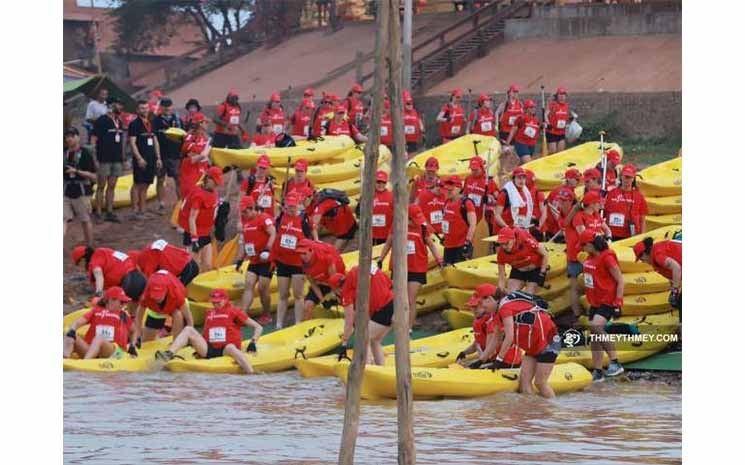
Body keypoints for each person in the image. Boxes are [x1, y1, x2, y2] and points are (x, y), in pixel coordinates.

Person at [469, 284, 560, 398]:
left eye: (481, 303)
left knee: (540, 383)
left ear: (490, 299)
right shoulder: (495, 313)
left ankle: (554, 411)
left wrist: (499, 360)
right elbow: (496, 338)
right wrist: (481, 360)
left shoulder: (505, 307)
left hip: (548, 343)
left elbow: (509, 336)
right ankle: (534, 413)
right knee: (524, 383)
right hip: (532, 347)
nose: (481, 307)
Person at [155, 289, 262, 375]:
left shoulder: (235, 311)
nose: (215, 305)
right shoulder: (209, 313)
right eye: (213, 302)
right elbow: (206, 333)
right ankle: (169, 354)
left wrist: (253, 342)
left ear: (225, 300)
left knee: (230, 347)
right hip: (209, 349)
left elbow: (258, 327)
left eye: (218, 302)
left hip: (226, 349)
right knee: (188, 329)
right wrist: (196, 346)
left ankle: (251, 373)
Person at [378, 204, 443, 329]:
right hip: (399, 267)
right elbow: (388, 243)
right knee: (399, 297)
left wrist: (439, 260)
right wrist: (381, 259)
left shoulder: (423, 228)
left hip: (417, 268)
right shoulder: (396, 226)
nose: (417, 222)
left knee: (410, 298)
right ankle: (399, 323)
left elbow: (431, 245)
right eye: (414, 219)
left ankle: (409, 327)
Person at [579, 230, 625, 381]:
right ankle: (598, 371)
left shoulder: (607, 257)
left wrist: (618, 302)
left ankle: (615, 362)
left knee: (596, 327)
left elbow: (620, 280)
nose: (581, 248)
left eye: (583, 245)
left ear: (591, 245)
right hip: (595, 301)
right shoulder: (590, 257)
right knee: (594, 336)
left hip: (608, 300)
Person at [333, 265, 395, 365]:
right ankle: (380, 368)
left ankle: (367, 368)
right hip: (394, 302)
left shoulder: (346, 290)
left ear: (336, 288)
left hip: (383, 308)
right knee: (375, 340)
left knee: (363, 338)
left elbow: (349, 321)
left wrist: (344, 343)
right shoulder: (358, 275)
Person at [564, 190, 612, 317]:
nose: (600, 203)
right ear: (591, 204)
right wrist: (600, 239)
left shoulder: (596, 215)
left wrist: (609, 237)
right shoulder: (579, 216)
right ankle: (577, 315)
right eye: (598, 202)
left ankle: (592, 312)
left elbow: (606, 229)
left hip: (594, 256)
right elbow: (584, 235)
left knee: (592, 285)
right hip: (577, 256)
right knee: (575, 287)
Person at [273, 193, 315, 328]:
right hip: (282, 262)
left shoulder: (303, 220)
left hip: (298, 263)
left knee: (298, 295)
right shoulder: (280, 218)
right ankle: (279, 324)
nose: (291, 208)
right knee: (283, 294)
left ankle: (298, 324)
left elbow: (309, 240)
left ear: (298, 205)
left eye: (293, 206)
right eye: (289, 206)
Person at [456, 284, 522, 369]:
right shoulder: (493, 315)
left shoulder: (500, 312)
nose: (473, 309)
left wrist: (497, 359)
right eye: (472, 307)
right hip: (498, 358)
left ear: (490, 299)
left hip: (509, 360)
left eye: (477, 306)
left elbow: (508, 337)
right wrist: (468, 354)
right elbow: (491, 340)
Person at [63, 286, 138, 360]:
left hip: (114, 352)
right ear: (110, 300)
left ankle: (85, 362)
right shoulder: (95, 311)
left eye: (124, 302)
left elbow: (134, 331)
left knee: (99, 338)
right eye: (121, 302)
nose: (123, 305)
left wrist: (132, 346)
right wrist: (72, 330)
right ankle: (64, 359)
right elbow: (78, 322)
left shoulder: (123, 315)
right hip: (91, 350)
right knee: (69, 333)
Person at [235, 195, 276, 325]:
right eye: (242, 212)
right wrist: (240, 260)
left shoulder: (264, 219)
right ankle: (243, 314)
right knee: (248, 285)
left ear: (252, 208)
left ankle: (267, 314)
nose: (244, 214)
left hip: (266, 260)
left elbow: (273, 233)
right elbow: (245, 243)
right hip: (253, 261)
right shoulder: (246, 223)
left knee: (263, 288)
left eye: (245, 211)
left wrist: (268, 249)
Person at [178, 166, 224, 272]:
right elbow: (192, 218)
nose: (217, 185)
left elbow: (212, 213)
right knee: (194, 267)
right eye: (215, 182)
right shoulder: (198, 196)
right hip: (195, 234)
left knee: (207, 265)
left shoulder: (213, 193)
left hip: (205, 232)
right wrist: (194, 239)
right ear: (208, 179)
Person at [92, 96, 126, 223]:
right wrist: (94, 158)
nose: (121, 107)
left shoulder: (119, 121)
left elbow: (121, 139)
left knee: (112, 186)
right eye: (118, 104)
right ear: (111, 106)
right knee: (101, 186)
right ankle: (99, 212)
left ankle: (110, 211)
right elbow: (94, 139)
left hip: (116, 158)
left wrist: (122, 157)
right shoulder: (101, 120)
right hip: (104, 158)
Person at [71, 246, 147, 303]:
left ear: (82, 259)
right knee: (134, 311)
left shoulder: (95, 258)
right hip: (139, 278)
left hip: (128, 282)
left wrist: (98, 295)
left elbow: (98, 274)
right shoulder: (106, 253)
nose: (80, 267)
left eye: (78, 264)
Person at [134, 270, 193, 342]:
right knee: (146, 341)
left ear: (166, 291)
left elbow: (189, 318)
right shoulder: (147, 295)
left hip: (174, 305)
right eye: (155, 296)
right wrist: (138, 334)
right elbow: (139, 314)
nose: (157, 298)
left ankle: (176, 343)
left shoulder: (177, 295)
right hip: (155, 309)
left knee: (178, 314)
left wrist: (191, 335)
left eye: (159, 295)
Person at [297, 238, 346, 320]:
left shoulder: (325, 257)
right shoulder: (302, 263)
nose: (302, 256)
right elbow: (313, 284)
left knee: (344, 300)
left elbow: (334, 280)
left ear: (311, 250)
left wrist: (332, 294)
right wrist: (322, 300)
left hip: (335, 282)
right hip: (320, 283)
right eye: (300, 253)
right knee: (307, 306)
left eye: (304, 253)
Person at [128, 100, 162, 218]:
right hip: (141, 158)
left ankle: (143, 210)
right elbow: (132, 143)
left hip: (152, 158)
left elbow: (155, 141)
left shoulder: (151, 122)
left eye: (146, 108)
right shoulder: (134, 124)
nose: (145, 110)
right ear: (137, 110)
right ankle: (134, 211)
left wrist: (158, 158)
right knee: (137, 184)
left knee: (146, 184)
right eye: (142, 108)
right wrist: (139, 158)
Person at [64, 127, 96, 246]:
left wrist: (77, 171)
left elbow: (93, 176)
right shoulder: (63, 153)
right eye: (67, 136)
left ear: (78, 137)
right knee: (63, 218)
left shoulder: (85, 153)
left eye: (72, 136)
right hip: (66, 191)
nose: (69, 139)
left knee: (85, 220)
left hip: (82, 192)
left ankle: (89, 246)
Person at [494, 226, 549, 294]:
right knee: (511, 294)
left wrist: (542, 273)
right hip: (518, 270)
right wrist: (500, 289)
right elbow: (501, 276)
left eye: (506, 243)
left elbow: (545, 254)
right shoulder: (501, 254)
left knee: (529, 294)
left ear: (513, 239)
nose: (504, 246)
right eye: (501, 243)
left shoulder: (526, 241)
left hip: (535, 269)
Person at [633, 236, 682, 311]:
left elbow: (676, 267)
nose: (642, 261)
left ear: (644, 254)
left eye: (641, 259)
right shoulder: (657, 249)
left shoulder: (657, 256)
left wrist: (675, 291)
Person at [152, 97, 184, 207]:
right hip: (161, 154)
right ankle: (161, 203)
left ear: (172, 106)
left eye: (168, 105)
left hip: (175, 154)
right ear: (161, 107)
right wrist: (156, 156)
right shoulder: (155, 120)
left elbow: (183, 136)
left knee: (178, 179)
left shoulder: (178, 120)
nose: (167, 108)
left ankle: (180, 203)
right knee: (160, 179)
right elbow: (154, 137)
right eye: (164, 106)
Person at [604, 164, 648, 240]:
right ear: (621, 177)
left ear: (633, 178)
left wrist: (642, 237)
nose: (626, 179)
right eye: (625, 176)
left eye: (629, 177)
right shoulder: (611, 193)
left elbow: (642, 219)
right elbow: (603, 212)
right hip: (612, 234)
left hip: (630, 235)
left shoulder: (639, 196)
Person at [442, 175, 477, 265]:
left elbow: (473, 224)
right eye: (447, 190)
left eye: (451, 190)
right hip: (448, 246)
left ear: (459, 188)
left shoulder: (466, 203)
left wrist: (467, 242)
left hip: (461, 246)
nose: (448, 192)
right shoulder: (447, 202)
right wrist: (444, 236)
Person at [135, 239, 200, 286]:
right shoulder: (149, 252)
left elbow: (150, 282)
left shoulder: (147, 258)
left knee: (175, 293)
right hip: (188, 263)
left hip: (187, 268)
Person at [179, 112, 211, 199]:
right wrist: (203, 155)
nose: (207, 124)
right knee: (190, 196)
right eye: (205, 122)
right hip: (191, 171)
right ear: (200, 124)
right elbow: (189, 155)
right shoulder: (190, 137)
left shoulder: (206, 137)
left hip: (202, 169)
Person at [462, 156, 499, 226]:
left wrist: (489, 200)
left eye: (476, 170)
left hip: (484, 217)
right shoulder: (468, 179)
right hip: (469, 216)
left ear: (481, 168)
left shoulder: (489, 181)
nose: (473, 172)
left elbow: (499, 201)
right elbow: (464, 195)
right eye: (472, 169)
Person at [506, 99, 540, 164]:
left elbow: (536, 133)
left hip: (531, 145)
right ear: (526, 108)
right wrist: (507, 143)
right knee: (528, 163)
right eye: (531, 107)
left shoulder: (536, 119)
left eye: (534, 107)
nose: (533, 109)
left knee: (523, 164)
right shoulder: (521, 118)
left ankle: (517, 172)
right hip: (521, 143)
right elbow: (513, 130)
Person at [545, 87, 572, 154]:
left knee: (561, 153)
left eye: (563, 94)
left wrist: (571, 119)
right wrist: (548, 123)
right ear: (557, 96)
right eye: (560, 94)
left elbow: (566, 117)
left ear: (565, 96)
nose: (562, 96)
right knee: (553, 152)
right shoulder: (553, 104)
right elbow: (545, 114)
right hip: (552, 131)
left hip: (561, 132)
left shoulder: (566, 106)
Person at [371, 171, 394, 245]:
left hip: (385, 233)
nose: (380, 185)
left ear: (386, 183)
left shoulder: (391, 196)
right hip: (370, 233)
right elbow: (359, 212)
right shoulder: (368, 195)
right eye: (378, 182)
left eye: (383, 182)